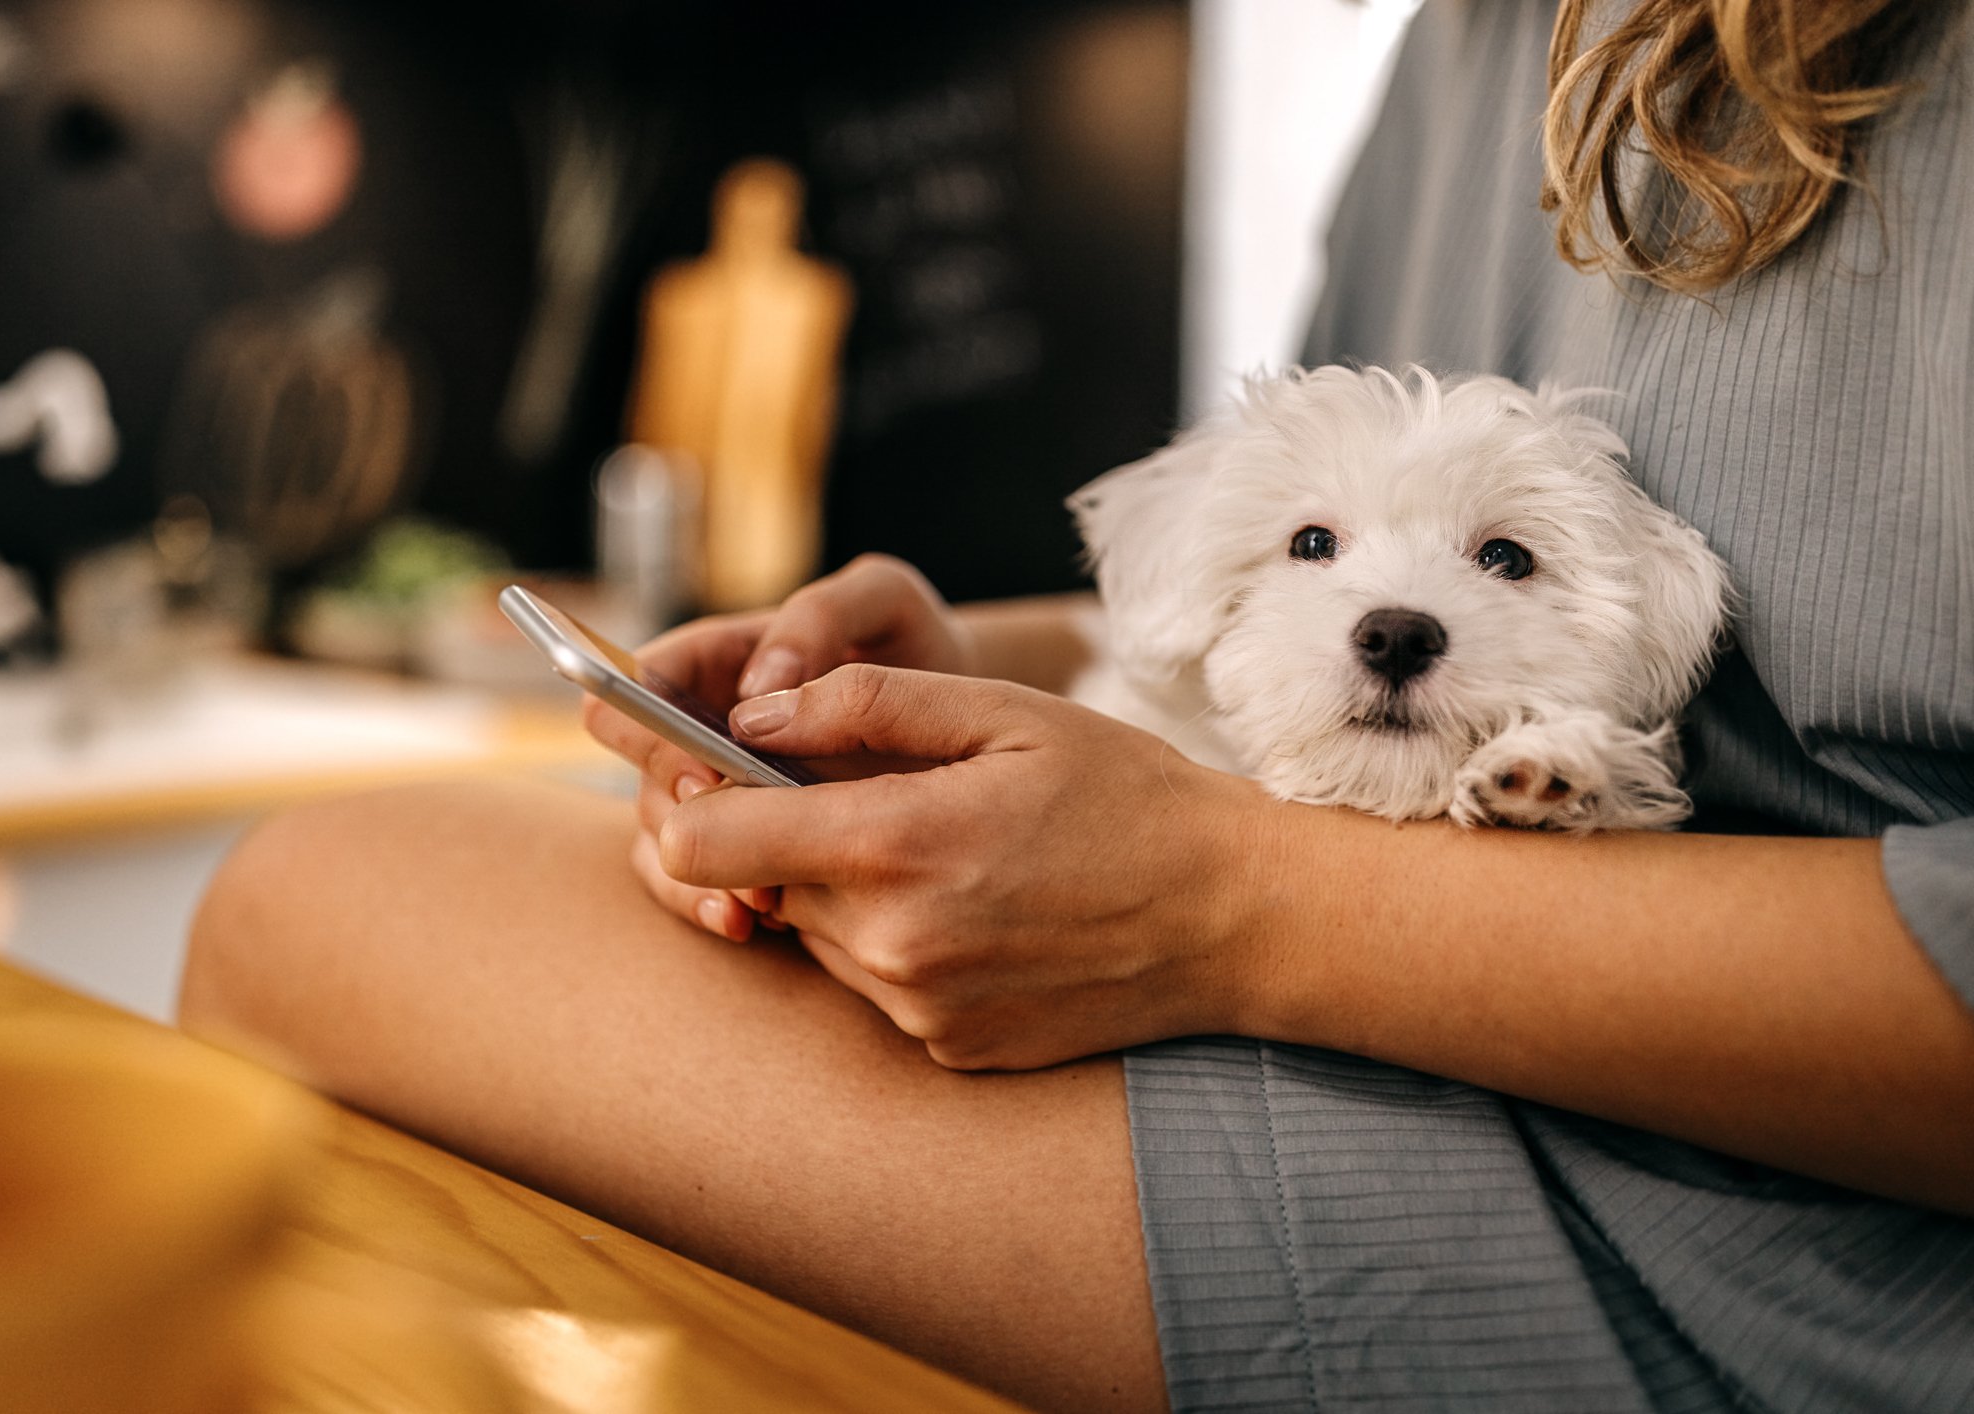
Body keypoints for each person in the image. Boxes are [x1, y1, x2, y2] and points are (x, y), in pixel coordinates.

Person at [180, 2, 1974, 1409]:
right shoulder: (1470, 50)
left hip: (1788, 1243)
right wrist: (969, 668)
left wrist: (1222, 903)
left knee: (304, 905)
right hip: (1410, 1047)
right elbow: (1273, 579)